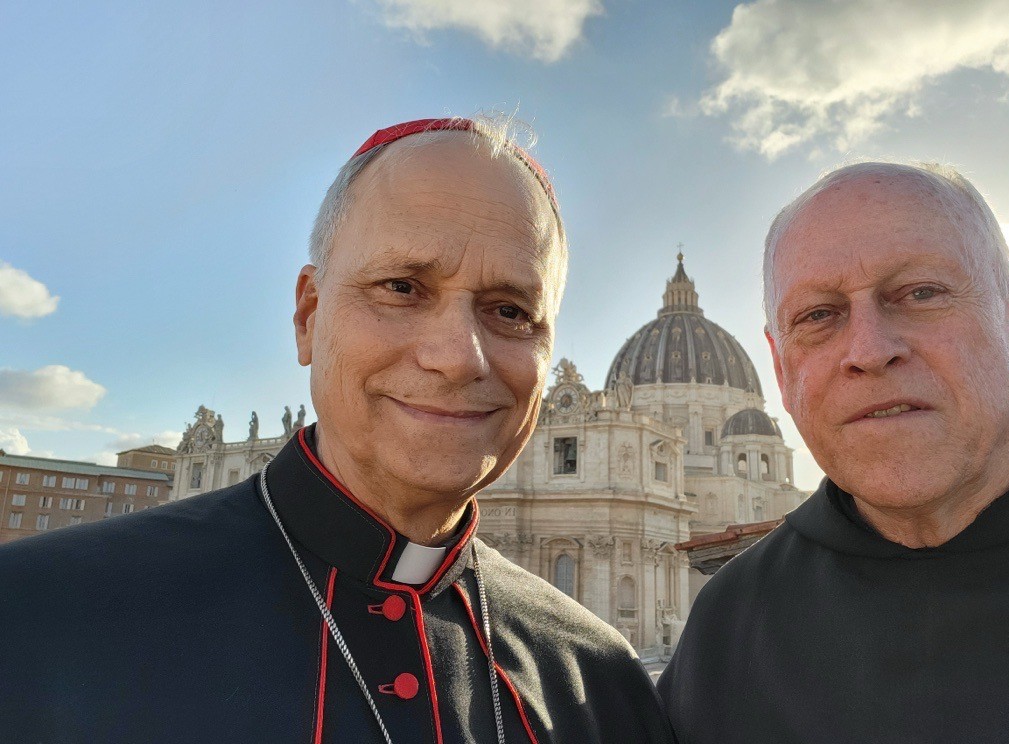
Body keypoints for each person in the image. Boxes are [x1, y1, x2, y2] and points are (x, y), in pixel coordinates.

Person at [0, 117, 675, 743]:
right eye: (402, 287)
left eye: (509, 309)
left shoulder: (601, 683)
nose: (457, 356)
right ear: (308, 316)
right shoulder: (33, 618)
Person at [657, 161, 1009, 743]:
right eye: (819, 315)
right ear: (781, 370)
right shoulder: (727, 626)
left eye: (921, 292)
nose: (870, 351)